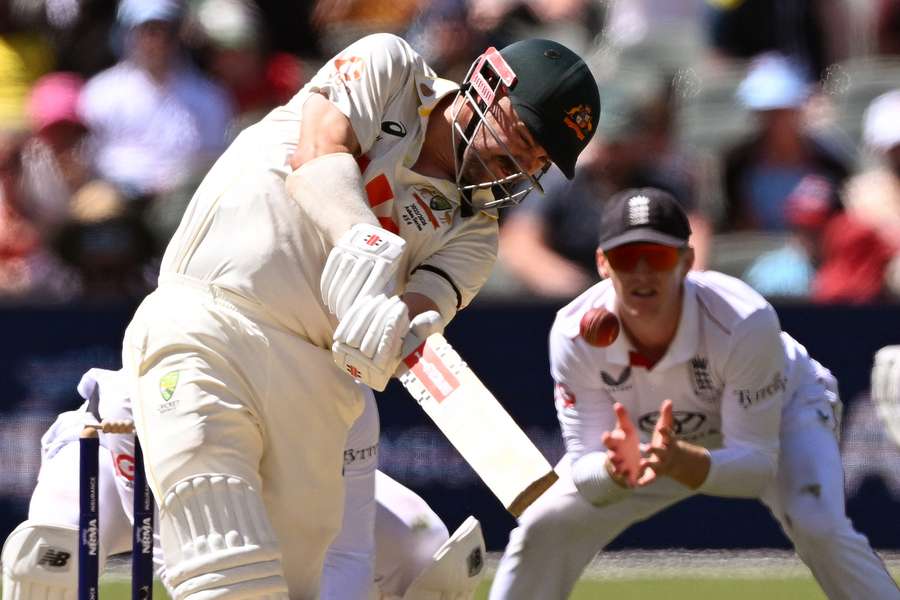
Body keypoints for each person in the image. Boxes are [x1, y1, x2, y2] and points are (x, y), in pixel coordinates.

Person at [119, 29, 599, 599]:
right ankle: (106, 438)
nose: (519, 164)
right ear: (486, 79)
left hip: (318, 390)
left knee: (290, 589)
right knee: (227, 572)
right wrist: (366, 242)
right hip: (209, 320)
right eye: (521, 137)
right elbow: (317, 154)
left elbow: (414, 321)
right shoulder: (392, 70)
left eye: (539, 159)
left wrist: (394, 330)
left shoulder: (474, 240)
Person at [489, 187, 900, 600]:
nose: (643, 273)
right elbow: (585, 466)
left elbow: (756, 464)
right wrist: (616, 470)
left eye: (660, 257)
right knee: (544, 523)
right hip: (660, 443)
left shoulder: (744, 319)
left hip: (784, 408)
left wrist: (684, 461)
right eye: (627, 258)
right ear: (603, 264)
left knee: (816, 524)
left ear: (687, 261)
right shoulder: (573, 333)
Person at [1, 368, 487, 600]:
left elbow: (348, 551)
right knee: (47, 562)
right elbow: (182, 560)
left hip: (272, 481)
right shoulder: (190, 376)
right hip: (118, 457)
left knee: (426, 551)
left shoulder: (343, 394)